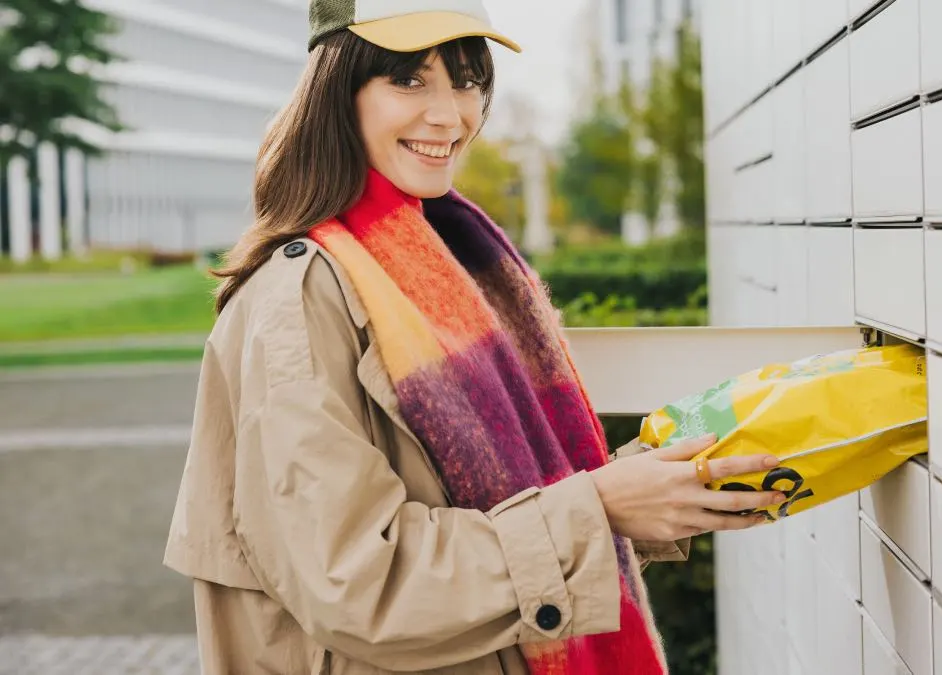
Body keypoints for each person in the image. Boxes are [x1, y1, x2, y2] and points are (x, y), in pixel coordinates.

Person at [163, 2, 786, 673]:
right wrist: (597, 509)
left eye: (465, 80)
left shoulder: (444, 261)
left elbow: (500, 498)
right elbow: (359, 579)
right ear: (337, 92)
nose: (450, 114)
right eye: (409, 79)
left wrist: (663, 482)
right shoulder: (304, 294)